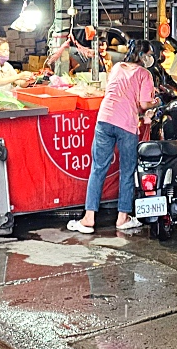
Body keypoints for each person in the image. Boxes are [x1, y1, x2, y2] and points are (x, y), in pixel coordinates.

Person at [68, 39, 158, 234]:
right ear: (143, 56)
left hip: (105, 119)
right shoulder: (145, 74)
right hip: (126, 124)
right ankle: (122, 218)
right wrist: (155, 102)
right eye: (149, 54)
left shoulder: (117, 67)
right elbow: (143, 104)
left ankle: (88, 219)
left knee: (98, 168)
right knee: (127, 171)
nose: (151, 58)